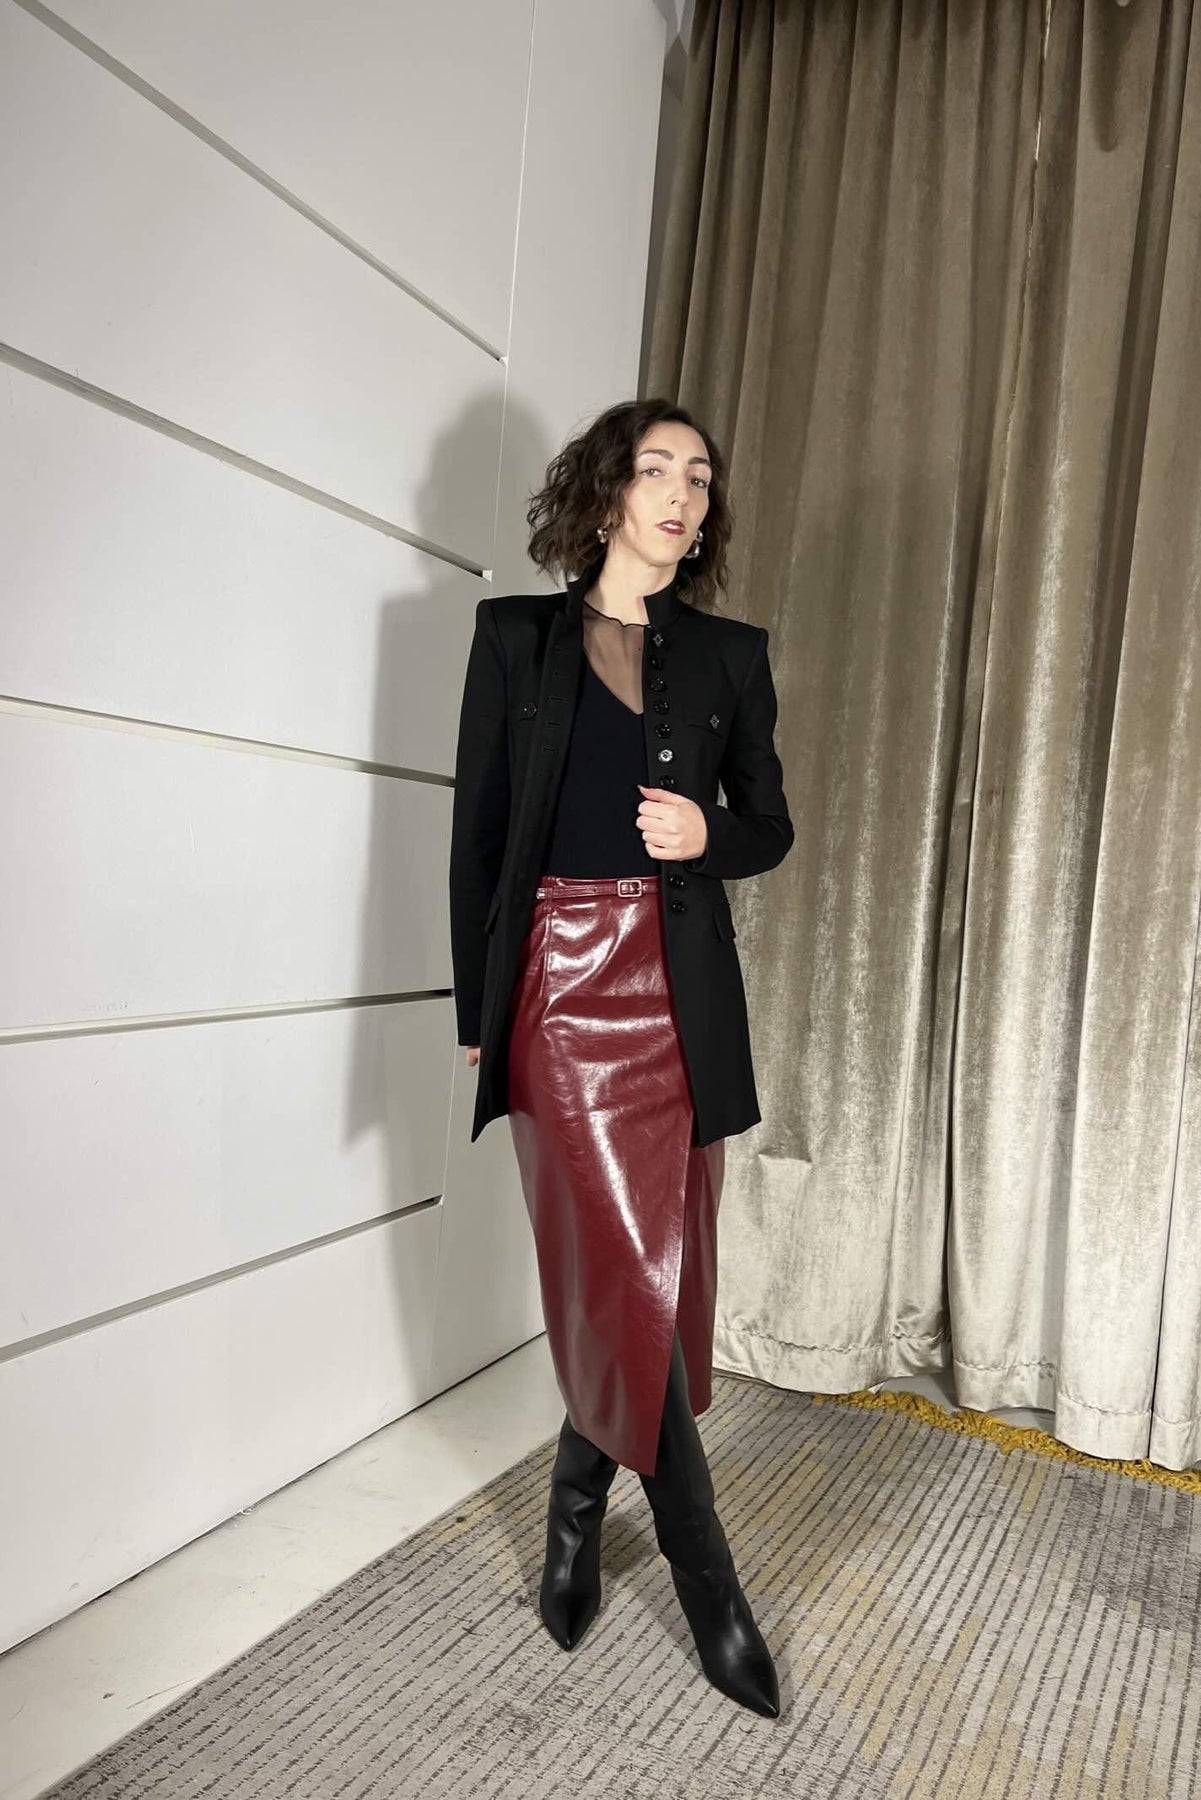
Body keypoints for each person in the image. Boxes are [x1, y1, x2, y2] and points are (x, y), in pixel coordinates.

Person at [449, 398, 794, 1718]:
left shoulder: (731, 657)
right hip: (556, 990)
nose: (681, 493)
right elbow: (479, 839)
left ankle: (574, 1505)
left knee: (653, 1279)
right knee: (616, 1267)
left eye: (698, 476)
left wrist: (708, 836)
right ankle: (712, 1588)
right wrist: (478, 1008)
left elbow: (769, 825)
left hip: (677, 997)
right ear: (604, 496)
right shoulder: (513, 639)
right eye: (655, 469)